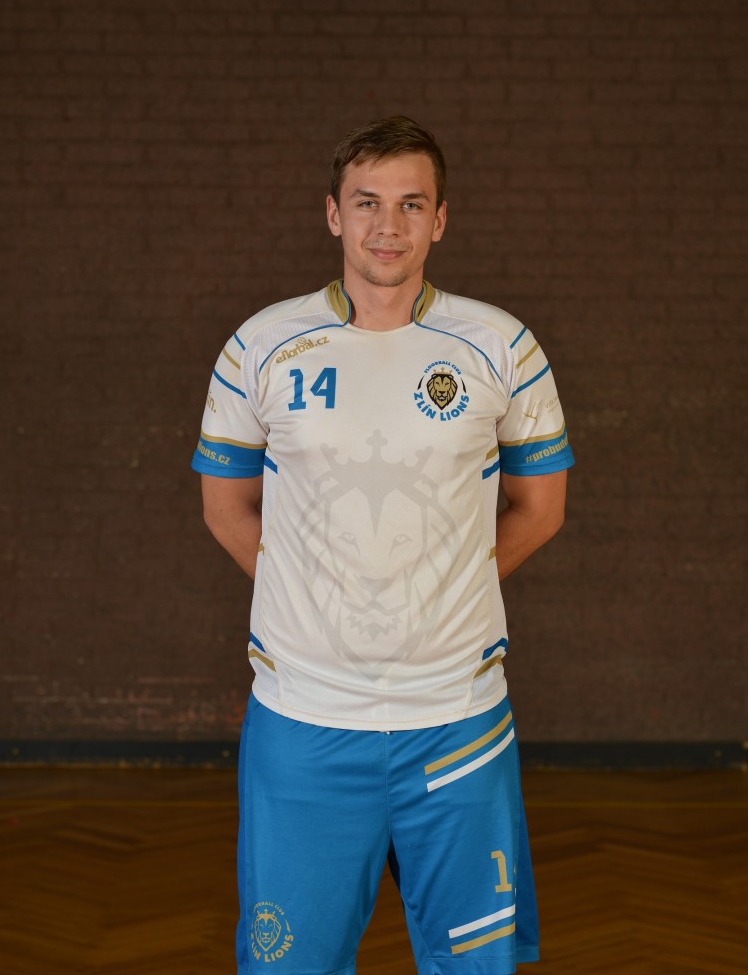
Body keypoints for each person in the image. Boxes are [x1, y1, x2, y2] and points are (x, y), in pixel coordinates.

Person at [192, 115, 574, 975]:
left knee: (474, 966)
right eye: (367, 202)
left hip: (457, 717)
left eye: (411, 204)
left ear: (441, 219)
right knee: (291, 965)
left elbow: (540, 509)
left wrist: (443, 587)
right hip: (305, 718)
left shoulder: (502, 345)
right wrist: (315, 589)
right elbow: (226, 510)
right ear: (333, 214)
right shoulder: (261, 345)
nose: (387, 225)